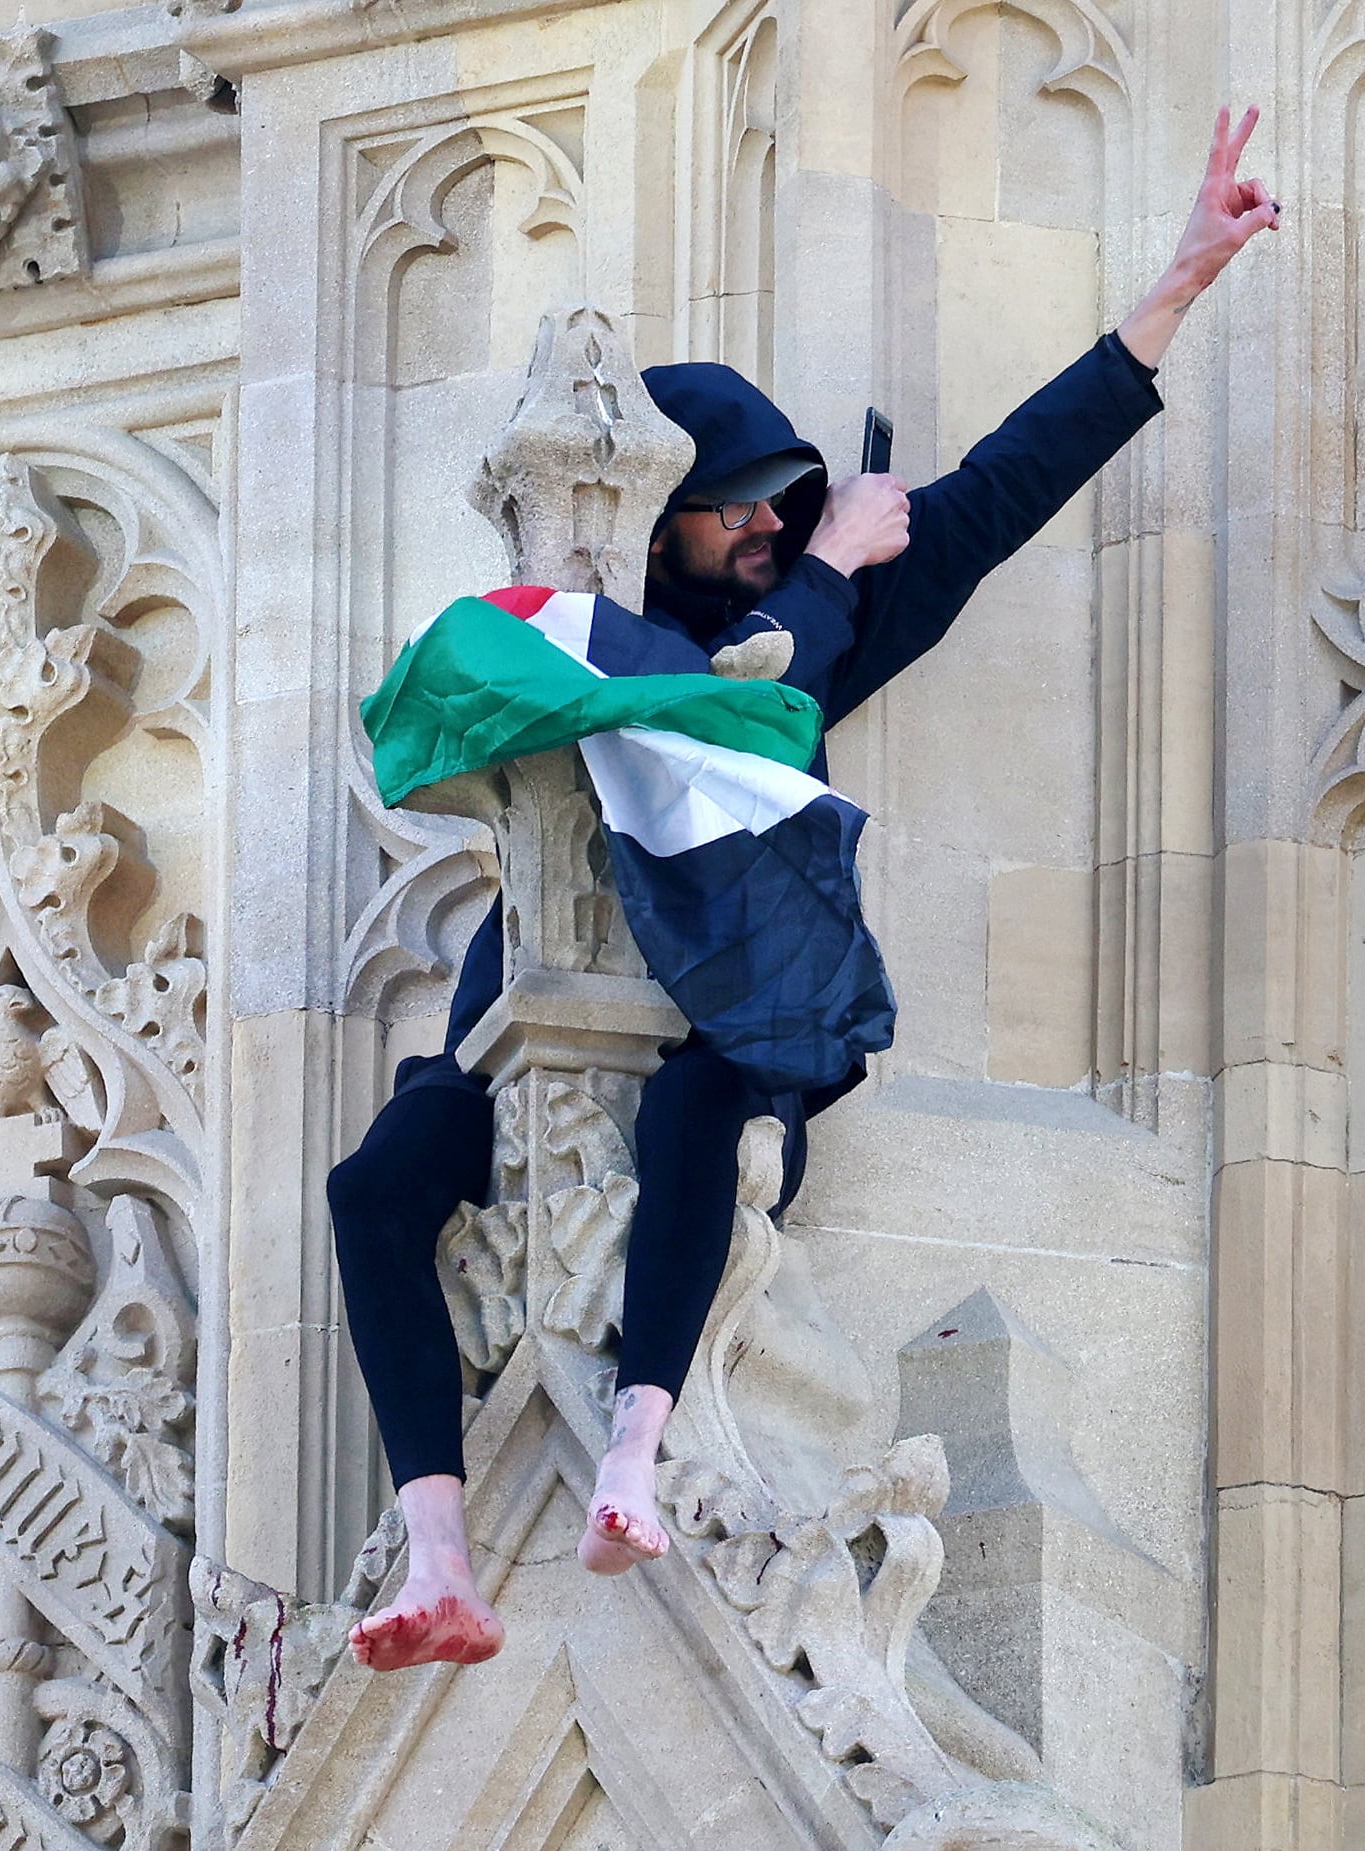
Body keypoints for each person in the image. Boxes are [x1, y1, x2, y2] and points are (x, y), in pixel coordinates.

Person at [334, 108, 1283, 1673]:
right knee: (379, 1181)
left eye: (789, 495)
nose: (771, 521)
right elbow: (690, 692)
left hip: (728, 1003)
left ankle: (633, 1456)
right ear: (662, 521)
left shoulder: (799, 624)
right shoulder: (601, 641)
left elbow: (994, 496)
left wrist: (1172, 289)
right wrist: (833, 568)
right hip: (530, 1015)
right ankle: (441, 1548)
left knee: (709, 1111)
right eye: (740, 503)